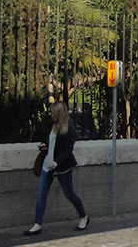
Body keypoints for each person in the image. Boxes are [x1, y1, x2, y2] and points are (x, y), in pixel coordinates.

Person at [25, 101, 89, 236]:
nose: (51, 115)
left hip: (62, 166)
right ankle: (37, 224)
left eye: (53, 113)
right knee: (41, 194)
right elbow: (48, 140)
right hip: (47, 165)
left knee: (69, 193)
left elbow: (68, 149)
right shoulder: (50, 125)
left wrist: (57, 162)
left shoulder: (69, 128)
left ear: (59, 114)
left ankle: (84, 217)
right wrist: (44, 145)